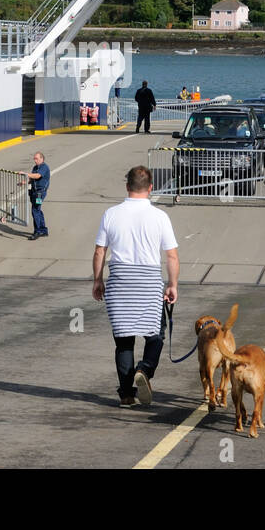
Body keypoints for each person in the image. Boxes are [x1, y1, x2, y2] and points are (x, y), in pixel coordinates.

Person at [92, 165, 180, 407]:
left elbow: (100, 250)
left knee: (124, 340)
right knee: (155, 335)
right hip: (148, 282)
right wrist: (172, 285)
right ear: (150, 188)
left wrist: (98, 280)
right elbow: (171, 256)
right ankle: (145, 369)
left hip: (120, 282)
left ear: (127, 186)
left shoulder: (111, 214)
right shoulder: (160, 217)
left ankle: (127, 395)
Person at [19, 151, 50, 240]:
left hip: (40, 193)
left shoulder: (44, 167)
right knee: (38, 210)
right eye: (34, 158)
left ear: (42, 159)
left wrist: (26, 174)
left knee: (35, 210)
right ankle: (43, 230)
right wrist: (24, 182)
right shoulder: (35, 167)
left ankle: (38, 231)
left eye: (36, 158)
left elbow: (37, 176)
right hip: (34, 191)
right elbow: (32, 179)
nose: (35, 160)